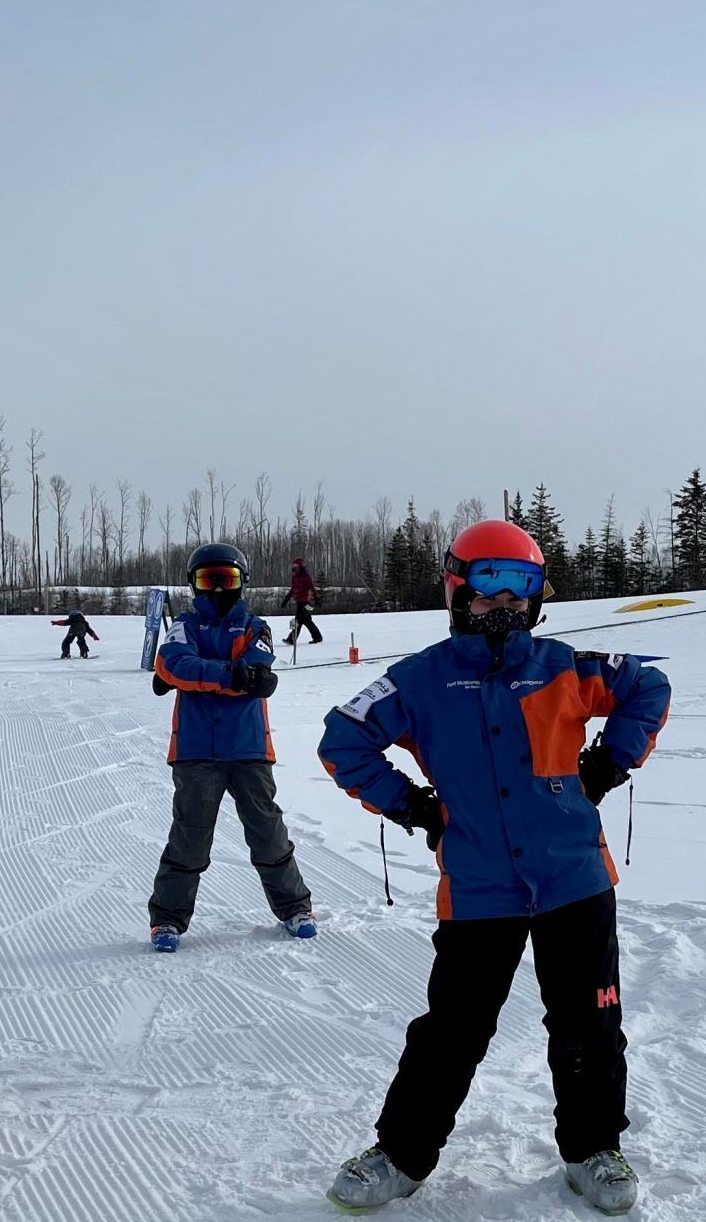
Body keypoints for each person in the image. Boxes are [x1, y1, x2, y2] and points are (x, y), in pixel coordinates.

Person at [317, 519, 671, 1215]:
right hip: (479, 887)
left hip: (574, 877)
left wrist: (608, 762)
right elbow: (343, 739)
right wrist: (413, 806)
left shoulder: (565, 666)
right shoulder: (418, 680)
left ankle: (593, 1149)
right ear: (457, 590)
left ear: (537, 598)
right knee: (452, 1030)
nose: (503, 605)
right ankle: (401, 1155)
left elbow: (648, 686)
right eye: (487, 588)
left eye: (519, 590)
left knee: (590, 1025)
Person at [146, 542, 316, 950]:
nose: (219, 589)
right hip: (195, 749)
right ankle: (167, 919)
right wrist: (228, 676)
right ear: (195, 584)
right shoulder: (184, 624)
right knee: (190, 836)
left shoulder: (256, 626)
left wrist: (207, 676)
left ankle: (294, 907)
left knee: (267, 832)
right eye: (209, 580)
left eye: (227, 579)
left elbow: (255, 669)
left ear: (242, 582)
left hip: (248, 748)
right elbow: (173, 662)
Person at [283, 556, 325, 647]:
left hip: (305, 602)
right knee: (307, 621)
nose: (294, 567)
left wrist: (316, 598)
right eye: (293, 565)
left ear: (300, 566)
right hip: (299, 601)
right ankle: (317, 637)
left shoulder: (305, 577)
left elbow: (311, 587)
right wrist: (287, 598)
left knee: (298, 620)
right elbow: (293, 589)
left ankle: (291, 639)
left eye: (295, 565)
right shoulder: (295, 577)